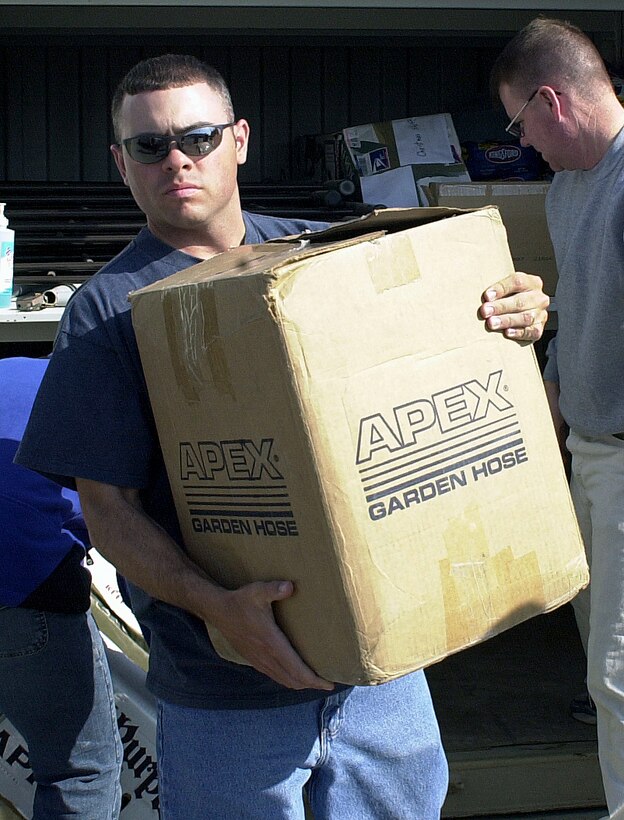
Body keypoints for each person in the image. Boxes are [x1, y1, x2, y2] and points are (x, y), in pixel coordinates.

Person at [15, 54, 549, 819]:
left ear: (238, 140)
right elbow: (109, 513)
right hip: (227, 691)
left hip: (383, 676)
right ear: (120, 163)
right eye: (149, 146)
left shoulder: (327, 255)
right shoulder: (107, 313)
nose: (176, 160)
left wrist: (506, 315)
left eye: (197, 138)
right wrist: (219, 607)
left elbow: (429, 363)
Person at [490, 17, 624, 816]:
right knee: (602, 669)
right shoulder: (571, 190)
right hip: (591, 456)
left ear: (552, 101)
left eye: (519, 124)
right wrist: (550, 397)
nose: (524, 144)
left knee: (618, 672)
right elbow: (575, 318)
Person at [0, 356, 122, 819]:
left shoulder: (14, 369)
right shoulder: (118, 405)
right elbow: (138, 550)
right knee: (81, 774)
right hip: (21, 578)